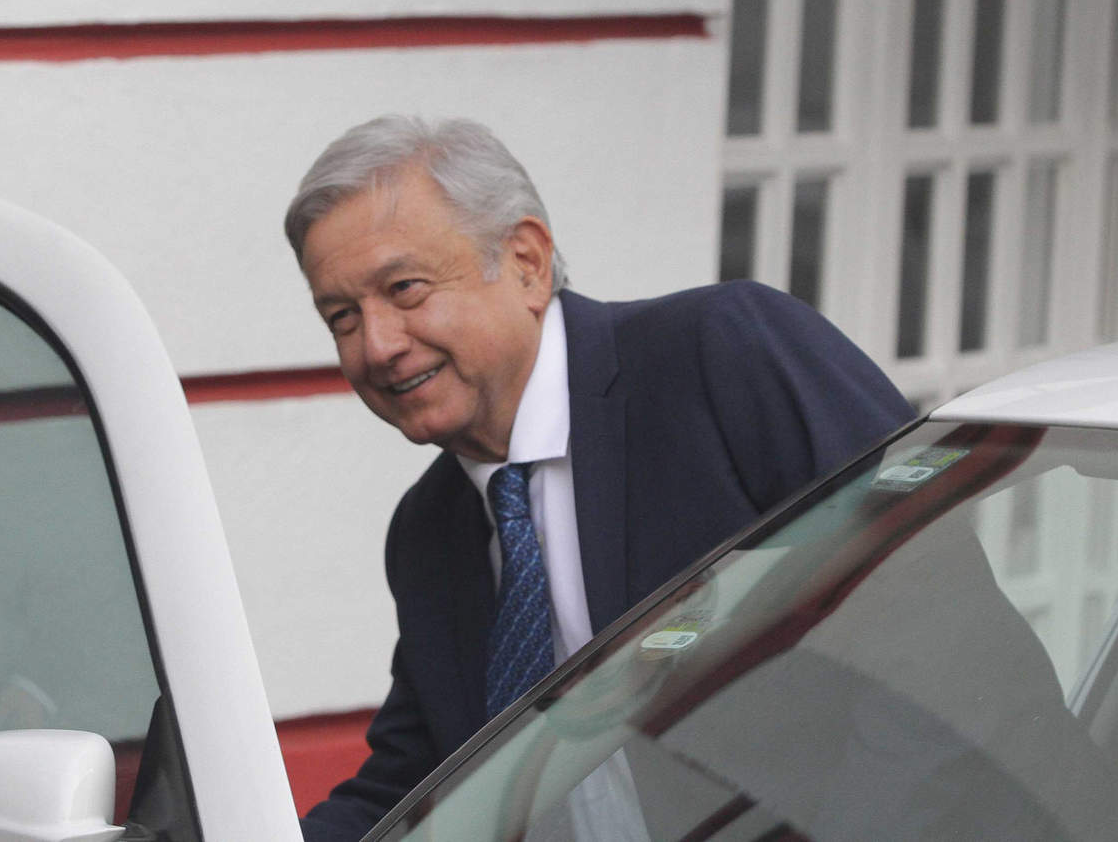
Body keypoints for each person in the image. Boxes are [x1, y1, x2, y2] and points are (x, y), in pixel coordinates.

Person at [284, 115, 912, 841]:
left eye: (405, 288)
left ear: (526, 262)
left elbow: (927, 611)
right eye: (342, 317)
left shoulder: (721, 356)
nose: (377, 345)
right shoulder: (428, 528)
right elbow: (420, 785)